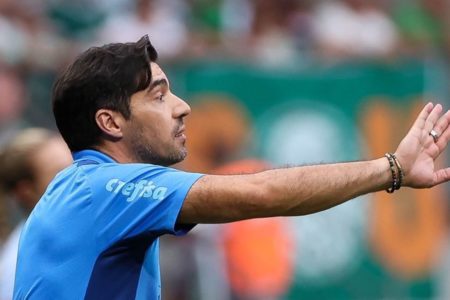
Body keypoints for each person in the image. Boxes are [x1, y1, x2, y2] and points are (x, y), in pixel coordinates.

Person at [13, 35, 450, 300]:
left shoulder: (89, 188)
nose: (183, 108)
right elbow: (260, 194)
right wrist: (391, 168)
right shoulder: (104, 187)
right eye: (159, 95)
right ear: (110, 123)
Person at [0, 128, 72, 300]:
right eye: (61, 172)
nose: (79, 176)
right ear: (26, 191)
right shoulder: (18, 266)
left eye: (76, 163)